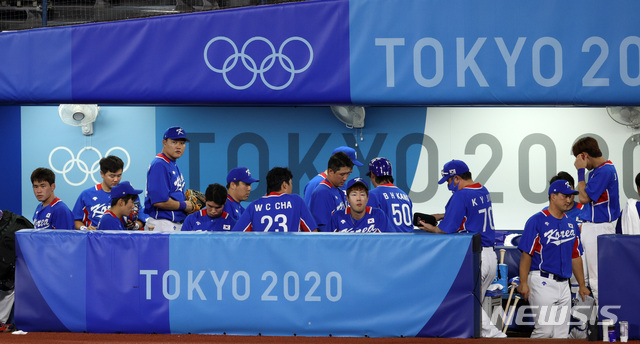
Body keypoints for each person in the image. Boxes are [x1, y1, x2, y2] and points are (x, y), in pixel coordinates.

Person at [416, 159, 504, 338]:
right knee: (471, 306)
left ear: (456, 178)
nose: (448, 185)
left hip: (475, 257)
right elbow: (469, 215)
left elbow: (446, 229)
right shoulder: (483, 189)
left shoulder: (461, 195)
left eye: (448, 181)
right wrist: (442, 215)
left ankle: (498, 337)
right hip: (489, 256)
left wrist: (432, 228)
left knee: (469, 303)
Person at [517, 179, 590, 338]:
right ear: (553, 196)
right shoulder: (536, 220)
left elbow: (575, 256)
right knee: (544, 331)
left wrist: (582, 285)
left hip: (564, 284)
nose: (569, 200)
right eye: (565, 196)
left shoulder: (571, 224)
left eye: (571, 196)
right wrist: (523, 282)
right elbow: (526, 254)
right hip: (542, 280)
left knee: (561, 334)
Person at [572, 136, 620, 304]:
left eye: (578, 158)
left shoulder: (605, 170)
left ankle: (606, 324)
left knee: (596, 279)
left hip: (599, 229)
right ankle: (583, 327)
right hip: (590, 228)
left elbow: (583, 198)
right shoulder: (597, 171)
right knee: (581, 280)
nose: (577, 161)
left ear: (584, 155)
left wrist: (580, 171)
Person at [72, 156, 145, 231]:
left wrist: (134, 226)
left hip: (123, 238)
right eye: (112, 176)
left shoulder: (128, 194)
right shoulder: (86, 195)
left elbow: (141, 219)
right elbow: (75, 220)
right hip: (95, 239)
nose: (116, 180)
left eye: (119, 175)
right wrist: (85, 228)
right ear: (102, 174)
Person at [233, 167, 317, 232]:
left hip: (262, 254)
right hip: (291, 253)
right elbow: (313, 233)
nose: (291, 187)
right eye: (291, 184)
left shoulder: (254, 206)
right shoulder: (296, 201)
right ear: (284, 185)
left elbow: (236, 236)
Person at [144, 126, 194, 231]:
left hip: (172, 223)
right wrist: (184, 205)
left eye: (182, 143)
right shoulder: (160, 164)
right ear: (164, 142)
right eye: (174, 142)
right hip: (162, 224)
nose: (179, 146)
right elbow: (159, 201)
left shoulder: (171, 164)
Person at [308, 152, 354, 232]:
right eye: (342, 174)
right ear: (330, 171)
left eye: (347, 174)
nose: (345, 178)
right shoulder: (322, 192)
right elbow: (324, 230)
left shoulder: (339, 188)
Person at [366, 157, 414, 232]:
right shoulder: (405, 196)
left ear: (372, 174)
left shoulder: (372, 195)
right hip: (408, 241)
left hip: (388, 241)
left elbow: (367, 223)